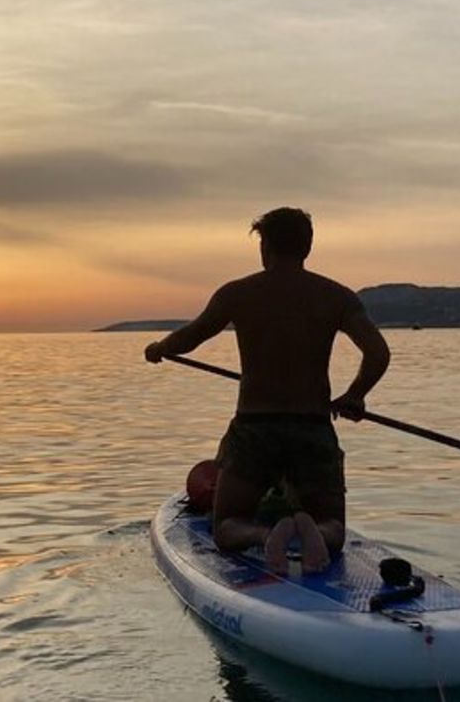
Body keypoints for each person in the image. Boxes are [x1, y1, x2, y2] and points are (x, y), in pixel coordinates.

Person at [144, 207, 390, 575]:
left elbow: (190, 337)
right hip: (312, 428)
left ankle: (262, 535)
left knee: (225, 526)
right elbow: (378, 353)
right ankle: (315, 530)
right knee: (335, 528)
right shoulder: (337, 297)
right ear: (307, 248)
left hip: (255, 429)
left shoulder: (238, 293)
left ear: (265, 246)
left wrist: (160, 347)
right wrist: (355, 394)